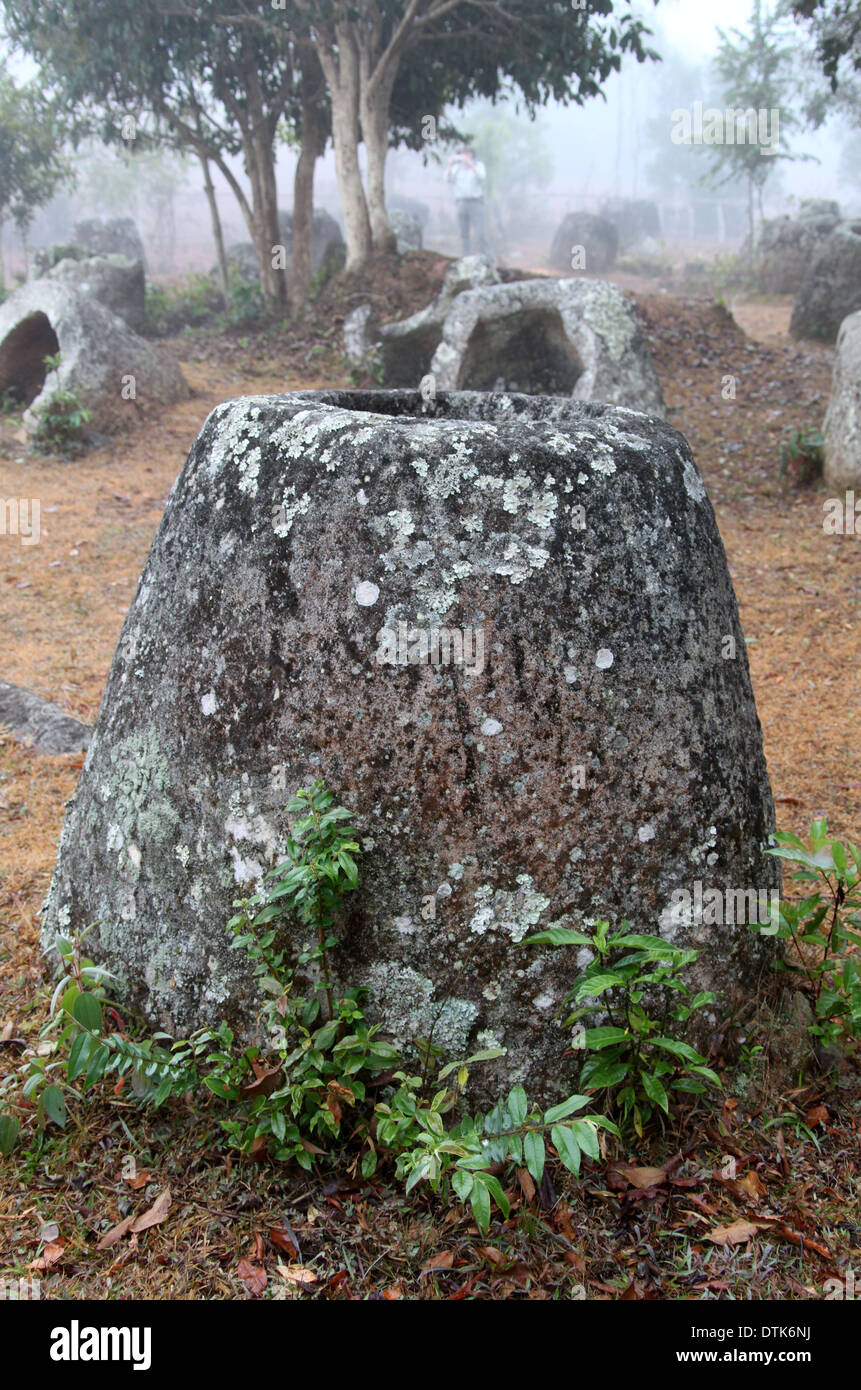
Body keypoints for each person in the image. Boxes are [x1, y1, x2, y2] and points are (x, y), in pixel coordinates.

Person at [446, 146, 490, 257]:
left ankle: (487, 257)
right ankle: (465, 257)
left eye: (467, 153)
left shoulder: (478, 165)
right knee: (463, 234)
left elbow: (482, 177)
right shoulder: (456, 168)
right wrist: (450, 165)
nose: (465, 155)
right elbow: (448, 179)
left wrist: (470, 165)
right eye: (462, 153)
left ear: (472, 154)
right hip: (461, 202)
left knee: (481, 233)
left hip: (476, 202)